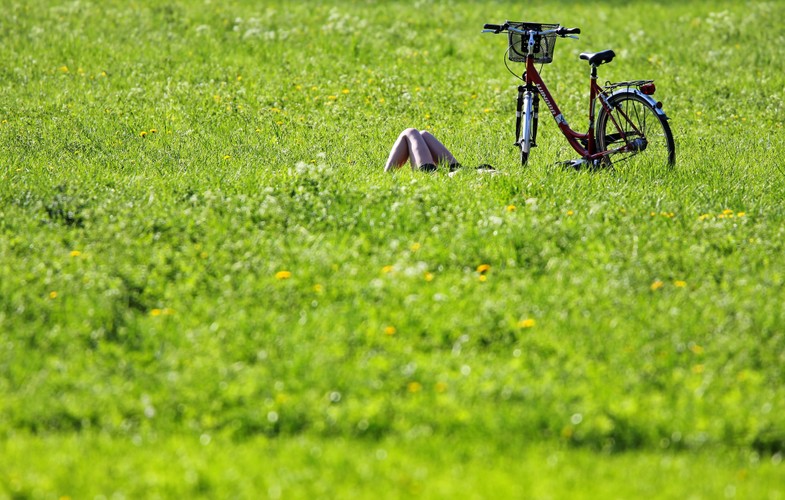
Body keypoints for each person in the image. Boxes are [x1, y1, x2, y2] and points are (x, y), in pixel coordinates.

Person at [384, 128, 459, 173]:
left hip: (430, 175)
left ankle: (387, 175)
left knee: (410, 132)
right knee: (424, 134)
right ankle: (387, 175)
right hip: (458, 171)